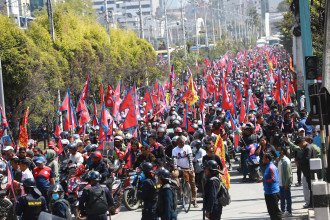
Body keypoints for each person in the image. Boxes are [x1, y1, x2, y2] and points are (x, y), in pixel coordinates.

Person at [171, 136, 198, 208]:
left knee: (192, 182)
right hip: (179, 168)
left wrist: (191, 167)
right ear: (178, 143)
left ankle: (194, 200)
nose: (183, 144)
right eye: (181, 143)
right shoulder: (175, 150)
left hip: (188, 168)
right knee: (174, 174)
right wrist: (175, 166)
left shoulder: (187, 147)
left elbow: (190, 157)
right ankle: (180, 191)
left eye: (183, 142)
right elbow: (174, 159)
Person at [294, 136, 316, 208]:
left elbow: (306, 159)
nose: (299, 147)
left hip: (309, 170)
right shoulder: (306, 148)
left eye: (299, 145)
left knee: (311, 188)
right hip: (307, 171)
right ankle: (311, 203)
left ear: (302, 142)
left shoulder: (308, 148)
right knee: (310, 187)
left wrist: (299, 162)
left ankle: (312, 203)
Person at [262, 153, 281, 220]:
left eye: (263, 158)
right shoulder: (267, 167)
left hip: (273, 192)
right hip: (268, 192)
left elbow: (274, 179)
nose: (262, 160)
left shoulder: (271, 167)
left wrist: (264, 181)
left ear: (267, 159)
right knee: (271, 212)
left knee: (276, 212)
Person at [277, 146, 293, 217]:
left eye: (279, 150)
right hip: (280, 183)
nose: (278, 151)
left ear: (282, 151)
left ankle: (289, 211)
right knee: (282, 198)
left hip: (285, 183)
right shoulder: (280, 160)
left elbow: (288, 174)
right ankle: (283, 210)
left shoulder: (286, 161)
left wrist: (287, 184)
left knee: (287, 198)